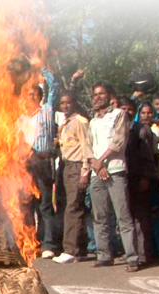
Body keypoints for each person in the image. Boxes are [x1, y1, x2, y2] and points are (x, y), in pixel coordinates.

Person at [88, 82, 139, 271]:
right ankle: (104, 255)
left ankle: (132, 258)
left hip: (115, 171)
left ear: (110, 96)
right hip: (97, 173)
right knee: (99, 216)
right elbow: (87, 145)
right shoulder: (93, 121)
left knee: (123, 216)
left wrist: (101, 160)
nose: (97, 97)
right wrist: (95, 163)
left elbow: (119, 140)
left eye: (101, 94)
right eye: (95, 94)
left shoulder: (119, 115)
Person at [17, 67, 61, 259]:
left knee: (44, 205)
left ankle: (48, 244)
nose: (29, 98)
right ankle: (30, 243)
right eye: (27, 95)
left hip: (42, 162)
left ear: (40, 97)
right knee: (26, 207)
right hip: (25, 166)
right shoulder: (20, 119)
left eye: (33, 95)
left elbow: (56, 87)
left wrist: (42, 67)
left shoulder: (47, 112)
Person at [52, 93, 93, 264]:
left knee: (73, 207)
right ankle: (80, 249)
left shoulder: (81, 122)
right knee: (68, 206)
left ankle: (70, 249)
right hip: (65, 166)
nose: (65, 106)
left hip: (76, 166)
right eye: (62, 103)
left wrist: (85, 171)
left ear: (74, 103)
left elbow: (87, 146)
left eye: (69, 102)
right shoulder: (64, 123)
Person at [126, 102, 158, 264]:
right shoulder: (118, 129)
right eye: (123, 108)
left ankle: (144, 253)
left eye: (129, 109)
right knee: (128, 217)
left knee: (141, 216)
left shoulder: (141, 129)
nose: (126, 112)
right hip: (124, 177)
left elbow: (147, 156)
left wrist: (146, 177)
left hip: (138, 177)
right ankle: (130, 252)